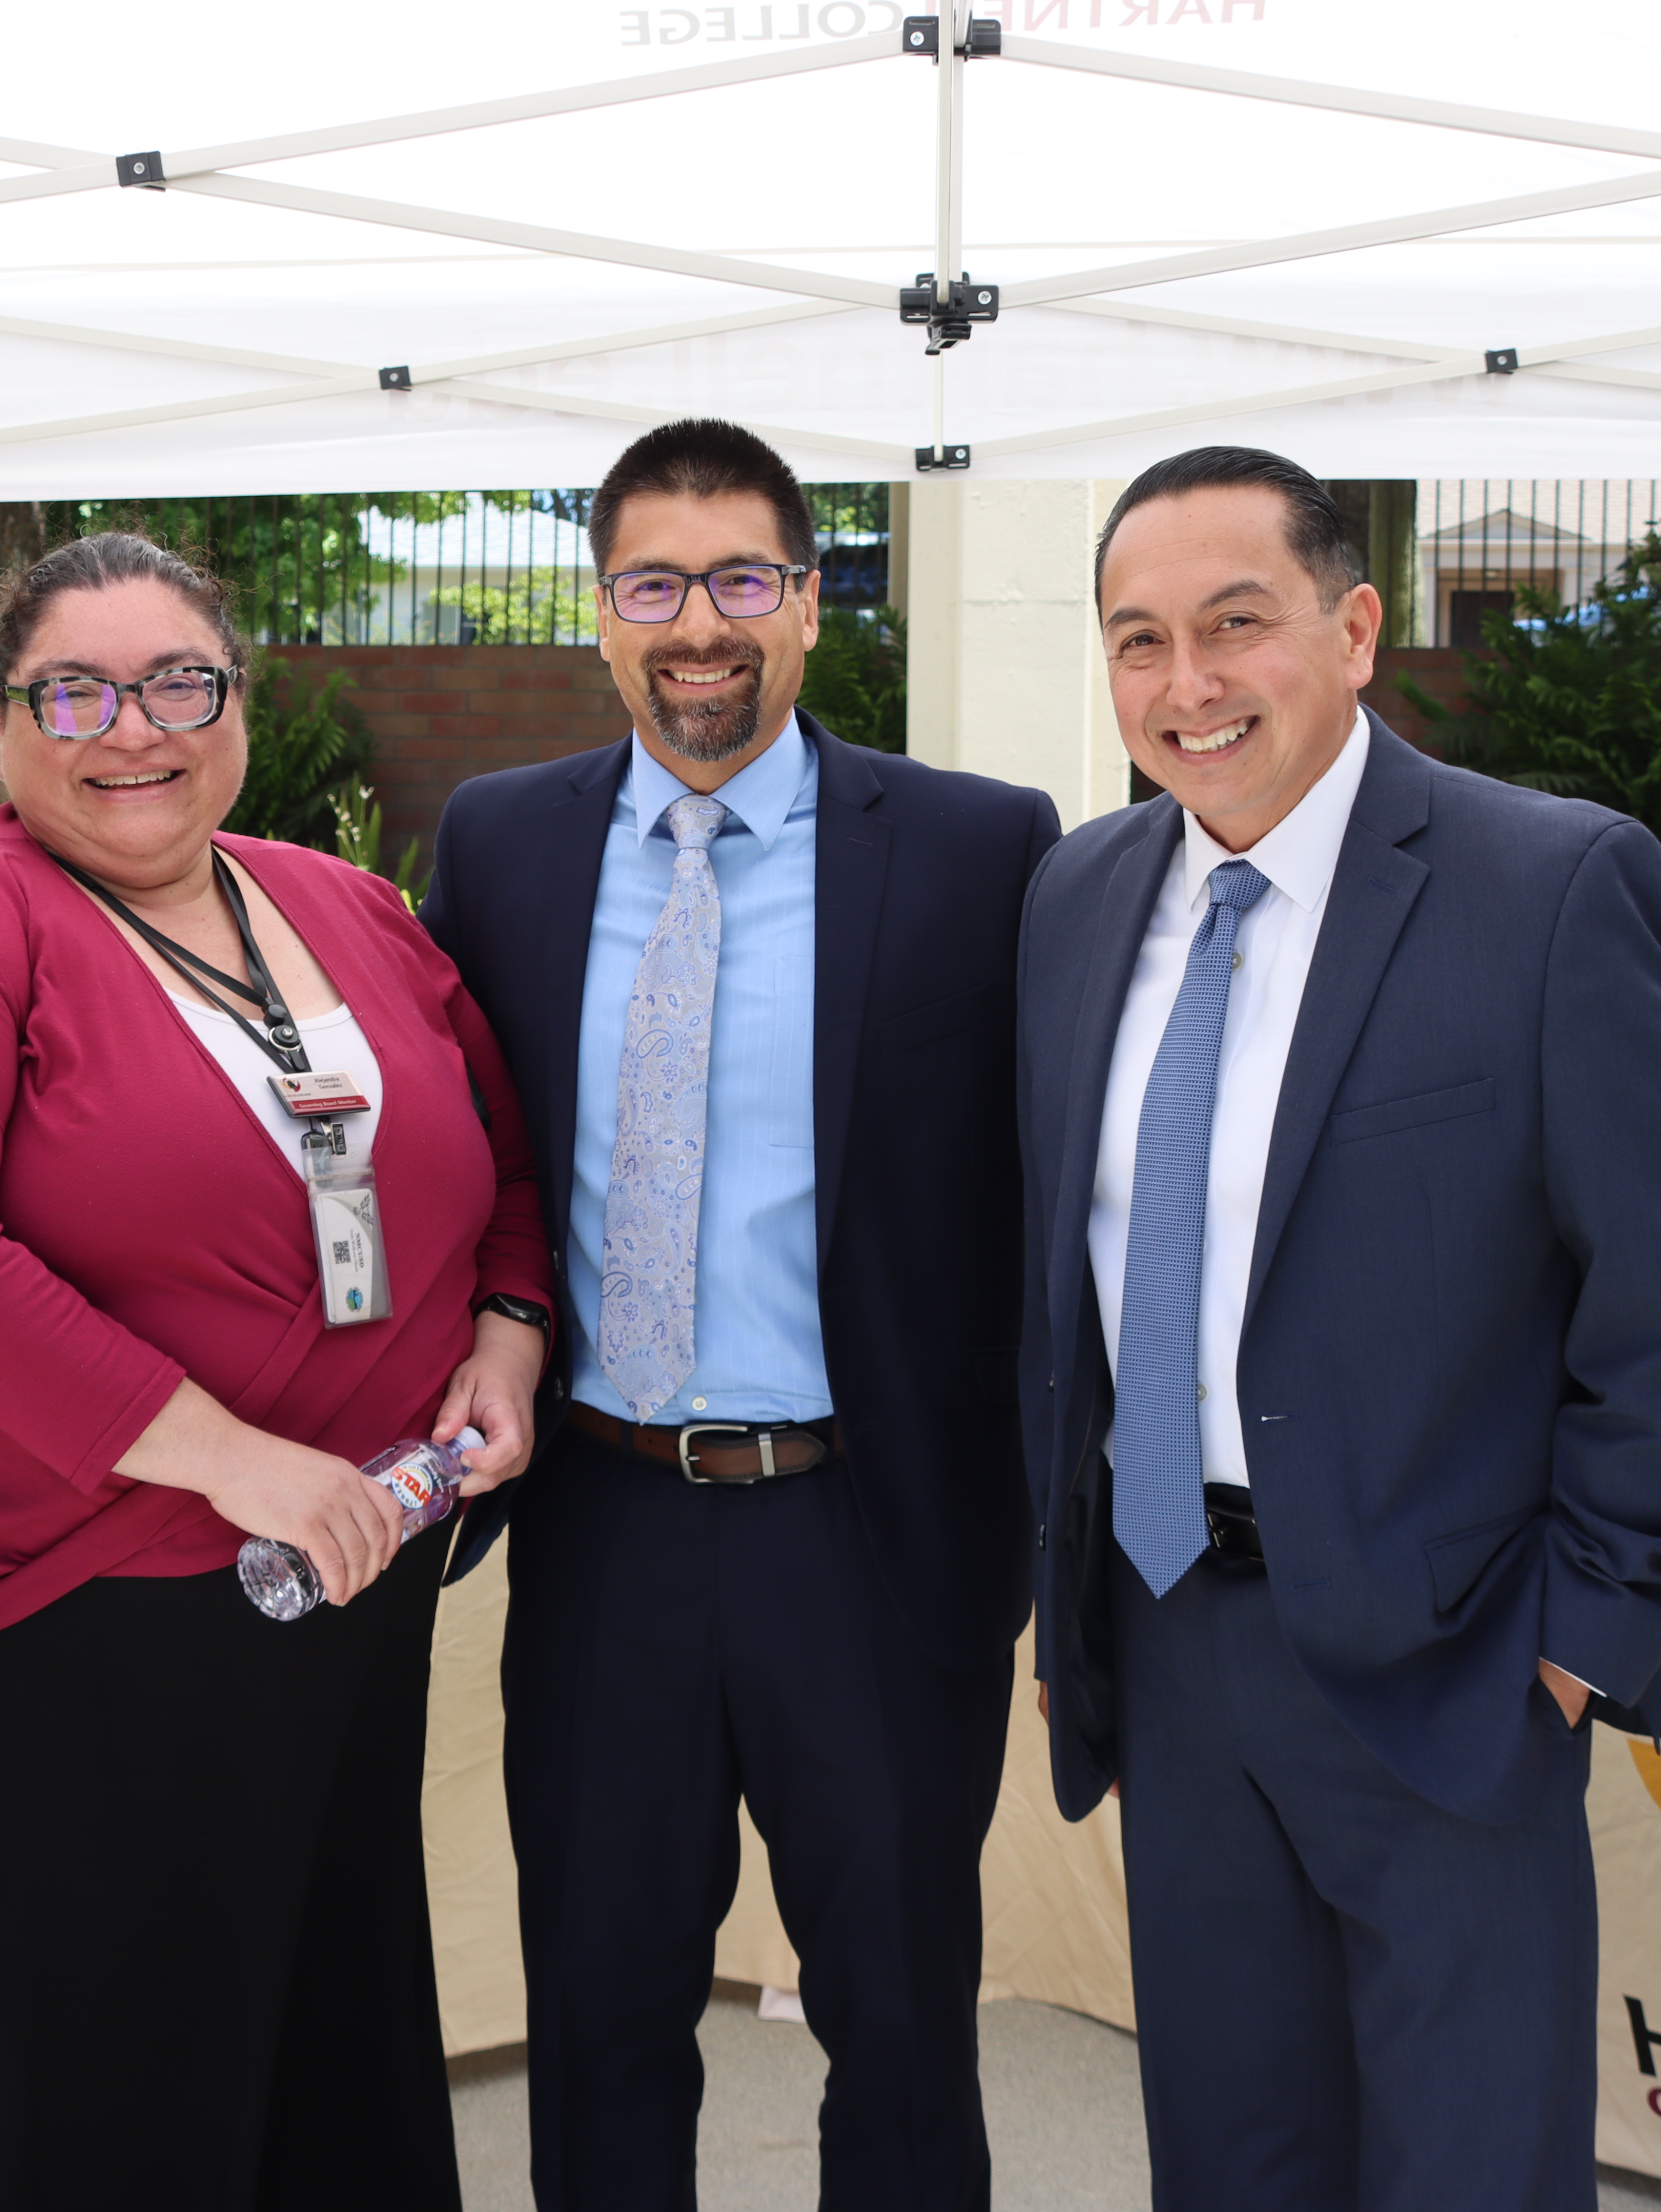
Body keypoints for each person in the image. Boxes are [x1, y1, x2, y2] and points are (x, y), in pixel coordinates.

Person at [0, 531, 552, 2210]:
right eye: (78, 691)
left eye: (181, 681)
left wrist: (510, 1331)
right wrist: (228, 1457)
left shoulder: (346, 908)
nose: (135, 729)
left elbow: (506, 1158)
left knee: (292, 2037)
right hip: (39, 1614)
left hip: (329, 1592)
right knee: (76, 2088)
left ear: (237, 702)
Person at [1015, 445, 1661, 2209]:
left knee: (1468, 2173)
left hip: (1458, 1672)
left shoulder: (1551, 887)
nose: (1186, 686)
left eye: (1235, 624)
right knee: (1235, 2159)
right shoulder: (1075, 900)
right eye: (1138, 642)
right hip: (1176, 1644)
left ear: (1355, 630)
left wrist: (1586, 1637)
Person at [423, 419, 1060, 2210]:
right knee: (606, 2021)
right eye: (652, 584)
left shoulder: (977, 849)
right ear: (600, 615)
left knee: (906, 2029)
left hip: (871, 1530)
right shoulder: (502, 846)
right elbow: (458, 1157)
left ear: (809, 603)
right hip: (605, 1520)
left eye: (740, 580)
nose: (697, 625)